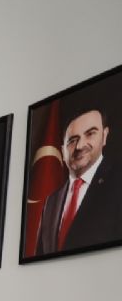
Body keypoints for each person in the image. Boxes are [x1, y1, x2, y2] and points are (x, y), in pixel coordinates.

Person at [36, 107, 122, 256]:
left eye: (90, 134)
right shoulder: (51, 202)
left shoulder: (118, 182)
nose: (80, 146)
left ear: (104, 136)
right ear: (62, 151)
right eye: (72, 140)